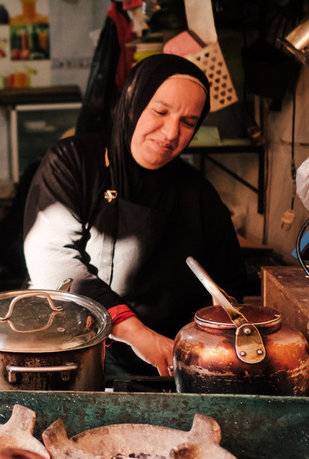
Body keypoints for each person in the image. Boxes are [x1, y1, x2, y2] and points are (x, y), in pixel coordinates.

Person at [23, 54, 246, 378]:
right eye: (160, 111)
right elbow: (52, 259)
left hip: (163, 367)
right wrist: (138, 334)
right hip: (73, 355)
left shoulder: (197, 193)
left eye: (188, 122)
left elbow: (227, 282)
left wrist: (214, 323)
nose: (171, 133)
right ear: (132, 102)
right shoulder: (75, 162)